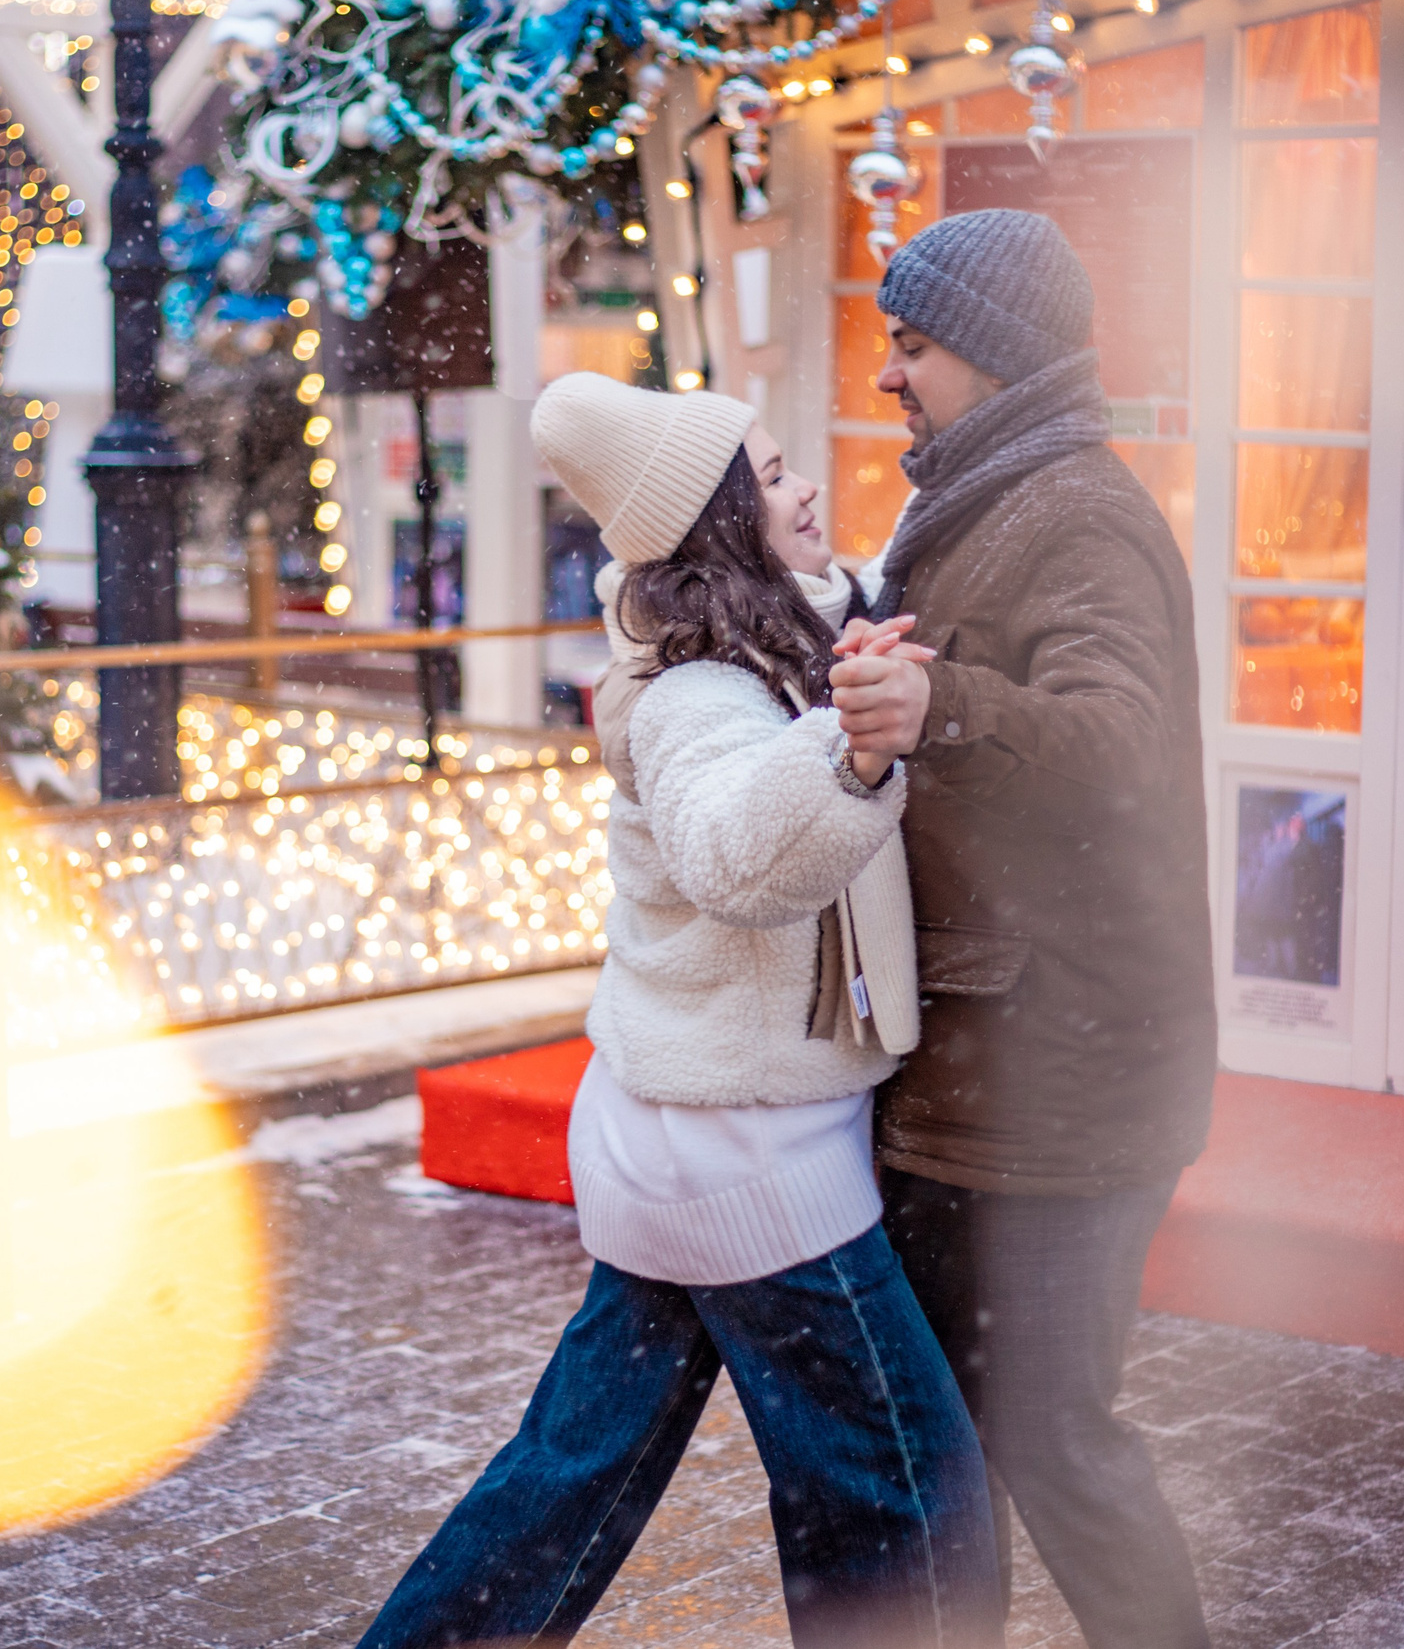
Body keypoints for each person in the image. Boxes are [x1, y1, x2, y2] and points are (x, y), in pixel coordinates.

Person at [357, 371, 1001, 1649]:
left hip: (680, 1139)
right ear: (716, 519)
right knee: (910, 1498)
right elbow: (731, 854)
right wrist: (855, 751)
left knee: (568, 1486)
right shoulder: (699, 690)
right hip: (750, 1168)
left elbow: (848, 605)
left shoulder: (784, 632)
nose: (804, 484)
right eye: (768, 474)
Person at [827, 209, 1216, 1649]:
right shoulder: (985, 500)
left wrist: (949, 707)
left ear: (990, 351)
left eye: (911, 345)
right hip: (986, 1059)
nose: (889, 377)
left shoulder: (1078, 512)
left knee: (1050, 1436)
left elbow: (1117, 739)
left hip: (1066, 1070)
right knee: (960, 1448)